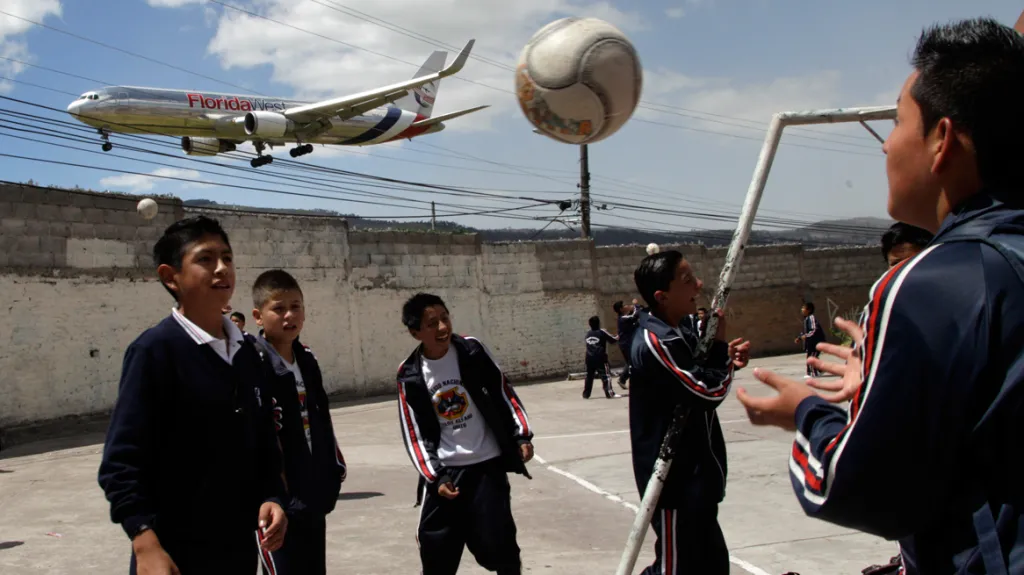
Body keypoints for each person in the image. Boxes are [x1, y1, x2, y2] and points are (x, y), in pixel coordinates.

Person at [736, 18, 1024, 574]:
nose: (887, 143)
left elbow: (862, 489)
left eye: (897, 120)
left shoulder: (929, 282)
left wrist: (810, 414)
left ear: (942, 140)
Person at [97, 215, 288, 574]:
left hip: (237, 549)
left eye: (227, 258)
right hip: (174, 552)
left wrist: (271, 496)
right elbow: (121, 462)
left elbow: (262, 439)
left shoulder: (248, 352)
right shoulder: (154, 351)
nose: (222, 269)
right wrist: (144, 541)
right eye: (205, 259)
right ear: (171, 277)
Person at [628, 250, 751, 575]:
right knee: (674, 569)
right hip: (673, 482)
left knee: (710, 565)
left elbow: (701, 373)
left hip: (699, 476)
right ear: (662, 296)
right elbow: (707, 392)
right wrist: (722, 353)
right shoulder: (656, 342)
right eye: (687, 281)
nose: (698, 284)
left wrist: (721, 354)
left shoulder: (682, 330)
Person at [397, 293, 534, 575]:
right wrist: (436, 476)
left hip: (487, 468)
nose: (443, 327)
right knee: (435, 548)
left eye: (445, 318)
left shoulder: (471, 350)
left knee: (499, 546)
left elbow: (503, 391)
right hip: (448, 473)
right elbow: (413, 433)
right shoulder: (410, 374)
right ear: (415, 333)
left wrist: (521, 435)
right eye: (432, 323)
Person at [249, 269, 347, 575]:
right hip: (276, 500)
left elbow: (321, 420)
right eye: (278, 308)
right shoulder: (251, 364)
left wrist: (333, 469)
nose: (289, 315)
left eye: (296, 306)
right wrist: (268, 493)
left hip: (312, 493)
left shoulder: (307, 360)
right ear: (258, 316)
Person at [583, 315, 622, 399]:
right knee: (606, 376)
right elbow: (613, 340)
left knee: (589, 377)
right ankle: (610, 393)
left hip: (589, 358)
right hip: (600, 357)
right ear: (598, 323)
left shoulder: (588, 333)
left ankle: (586, 394)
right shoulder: (602, 332)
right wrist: (620, 335)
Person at [613, 300, 641, 389]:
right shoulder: (622, 318)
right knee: (632, 362)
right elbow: (635, 316)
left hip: (628, 343)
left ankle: (623, 379)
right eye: (624, 305)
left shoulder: (625, 318)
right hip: (626, 343)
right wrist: (636, 305)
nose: (626, 306)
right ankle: (622, 379)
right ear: (621, 309)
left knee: (631, 362)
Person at [794, 302, 826, 378]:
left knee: (812, 358)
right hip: (810, 344)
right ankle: (817, 371)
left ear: (809, 310)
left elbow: (814, 329)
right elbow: (804, 332)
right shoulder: (806, 319)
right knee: (810, 357)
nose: (802, 309)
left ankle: (813, 373)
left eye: (803, 308)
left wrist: (806, 336)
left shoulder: (811, 317)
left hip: (816, 343)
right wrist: (799, 338)